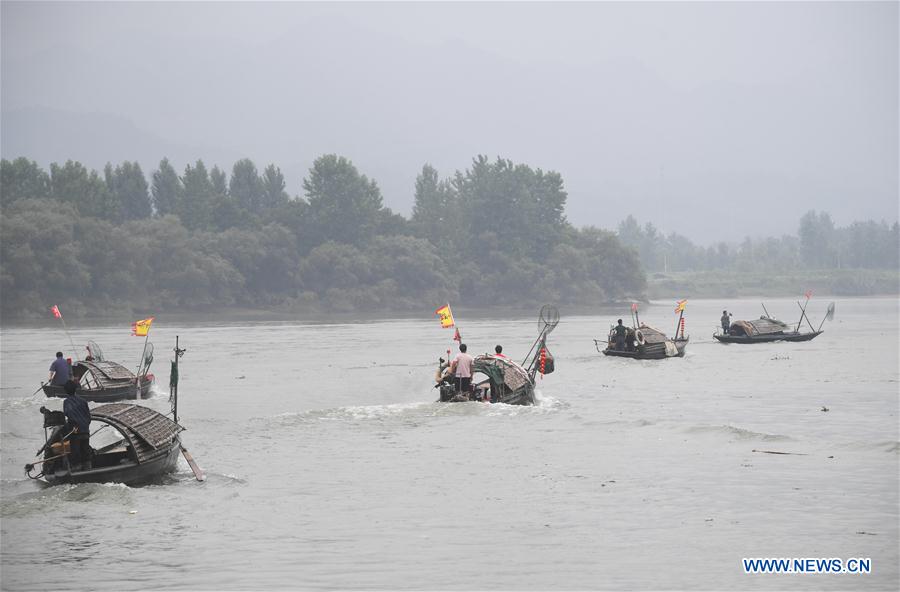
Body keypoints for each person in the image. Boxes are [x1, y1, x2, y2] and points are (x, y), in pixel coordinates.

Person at [62, 380, 92, 470]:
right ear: (76, 389)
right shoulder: (83, 401)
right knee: (86, 452)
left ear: (66, 391)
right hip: (85, 431)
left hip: (75, 432)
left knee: (75, 454)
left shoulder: (66, 402)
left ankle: (77, 470)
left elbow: (67, 414)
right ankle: (88, 469)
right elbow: (88, 416)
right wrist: (85, 426)